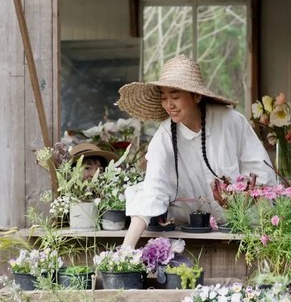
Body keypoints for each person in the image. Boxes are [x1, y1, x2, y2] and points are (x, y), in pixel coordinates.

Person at [117, 54, 277, 247]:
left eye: (175, 96)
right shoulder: (165, 134)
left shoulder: (231, 121)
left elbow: (261, 172)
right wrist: (126, 249)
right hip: (189, 229)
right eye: (164, 98)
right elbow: (153, 188)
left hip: (241, 226)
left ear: (196, 95)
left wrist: (262, 223)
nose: (169, 105)